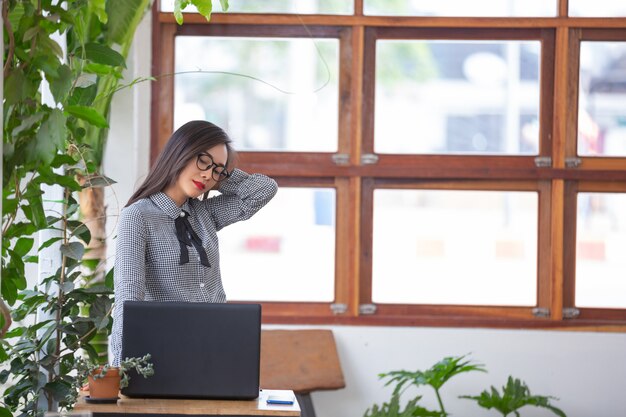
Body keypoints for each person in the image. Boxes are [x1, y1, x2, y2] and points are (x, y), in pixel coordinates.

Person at [110, 120, 277, 366]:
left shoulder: (204, 213)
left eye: (216, 170)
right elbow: (128, 291)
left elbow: (264, 189)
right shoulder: (138, 216)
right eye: (203, 161)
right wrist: (119, 367)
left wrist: (222, 176)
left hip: (216, 347)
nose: (208, 175)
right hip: (161, 351)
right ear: (180, 153)